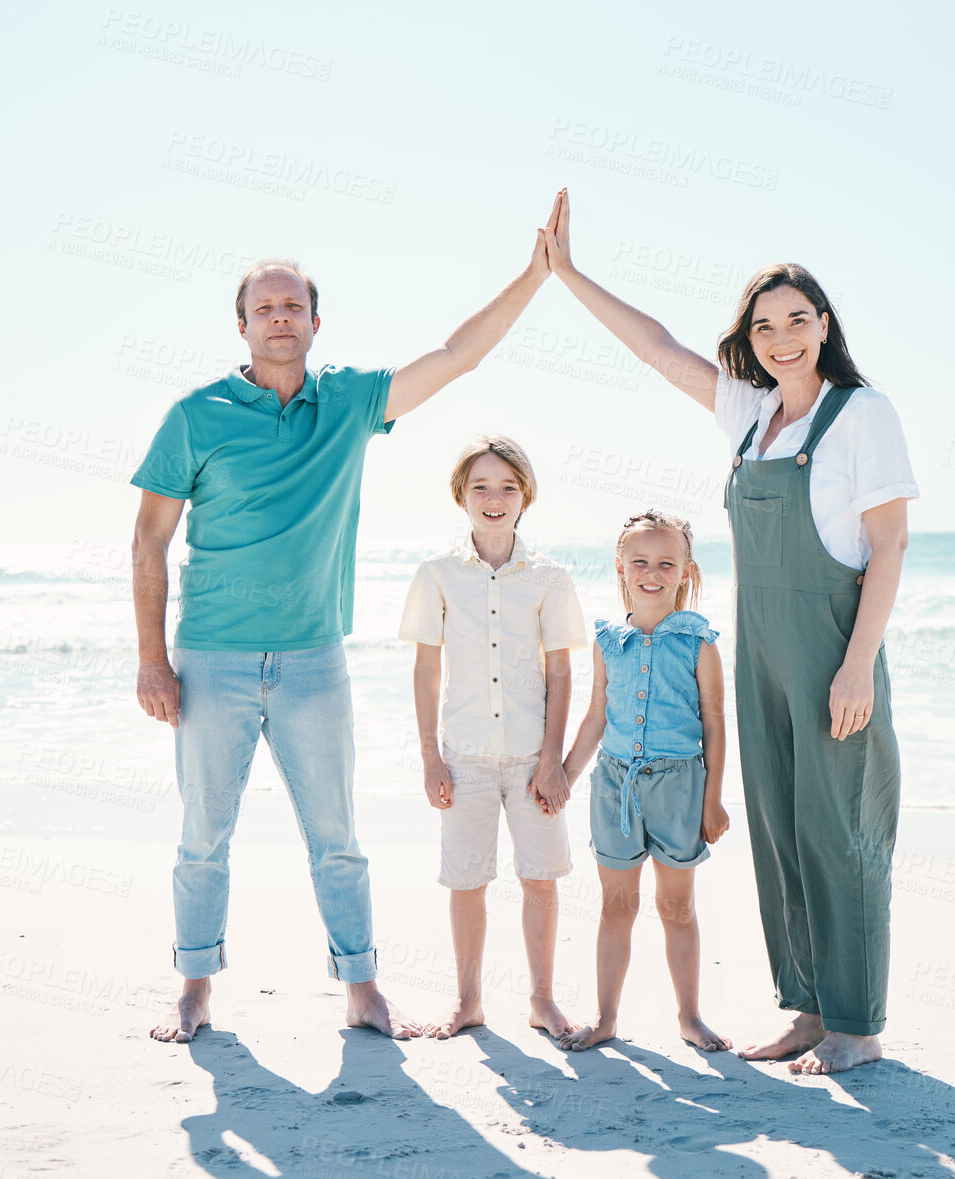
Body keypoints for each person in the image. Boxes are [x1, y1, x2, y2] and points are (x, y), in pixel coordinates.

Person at [132, 211, 555, 1044]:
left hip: (313, 658)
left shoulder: (352, 401)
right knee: (202, 838)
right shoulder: (196, 414)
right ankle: (194, 987)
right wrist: (153, 660)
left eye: (294, 306)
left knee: (337, 837)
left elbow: (456, 356)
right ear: (243, 325)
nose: (280, 318)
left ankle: (361, 987)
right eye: (265, 308)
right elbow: (149, 537)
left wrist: (534, 277)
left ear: (316, 323)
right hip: (211, 657)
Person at [541, 190, 918, 1075]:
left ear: (823, 325)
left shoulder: (863, 415)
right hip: (759, 658)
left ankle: (859, 1025)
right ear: (748, 340)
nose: (781, 336)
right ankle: (810, 1009)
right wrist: (567, 275)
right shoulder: (751, 418)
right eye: (763, 326)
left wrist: (858, 665)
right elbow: (657, 347)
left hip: (833, 649)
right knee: (781, 829)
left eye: (796, 319)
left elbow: (891, 546)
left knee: (845, 832)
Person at [398, 434, 586, 1040]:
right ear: (461, 496)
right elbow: (427, 670)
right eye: (480, 486)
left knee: (541, 880)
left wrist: (553, 762)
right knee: (467, 880)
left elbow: (560, 671)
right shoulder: (437, 575)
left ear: (525, 496)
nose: (494, 498)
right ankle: (468, 1001)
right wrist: (431, 760)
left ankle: (541, 1001)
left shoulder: (550, 579)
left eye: (507, 486)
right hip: (466, 759)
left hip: (533, 758)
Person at [559, 510, 730, 1052]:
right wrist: (564, 774)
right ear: (621, 568)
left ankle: (689, 1016)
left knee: (676, 907)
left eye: (665, 563)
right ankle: (606, 1017)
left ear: (685, 570)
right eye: (639, 562)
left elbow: (715, 722)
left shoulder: (699, 641)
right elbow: (594, 716)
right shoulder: (609, 641)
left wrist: (714, 799)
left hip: (680, 786)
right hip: (615, 786)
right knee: (616, 905)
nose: (651, 573)